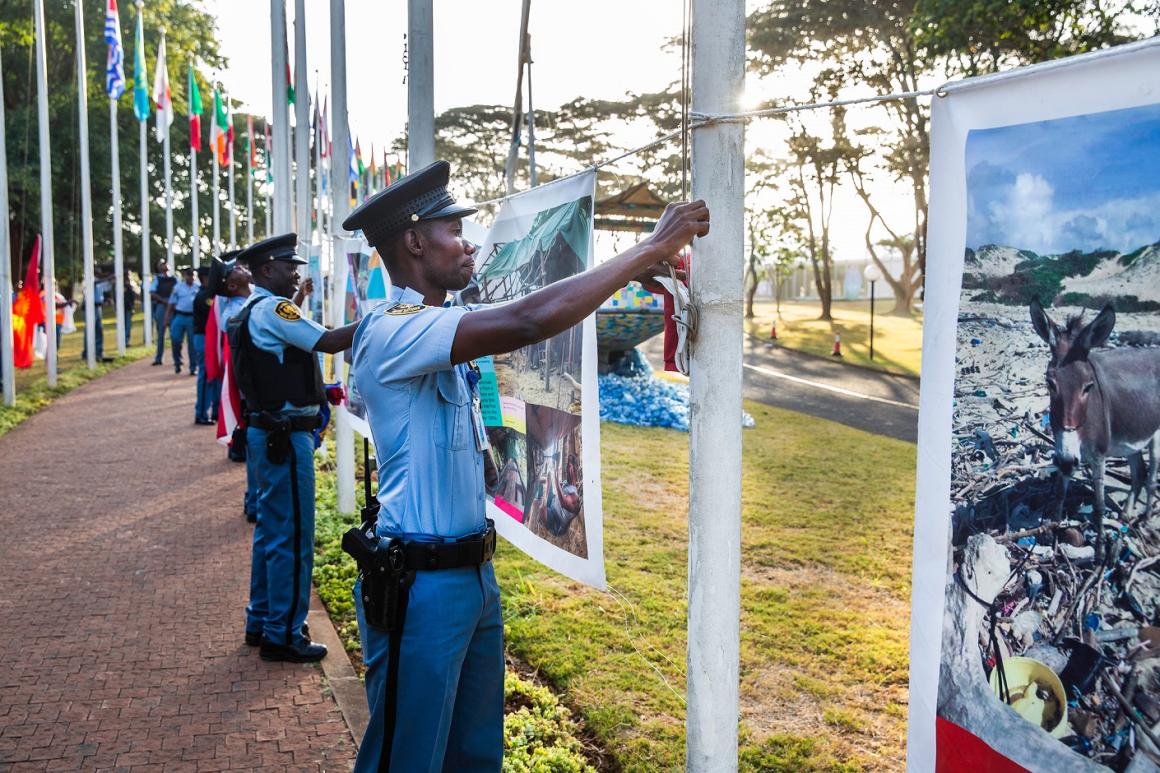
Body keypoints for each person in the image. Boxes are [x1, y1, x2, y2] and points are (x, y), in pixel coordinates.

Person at [343, 160, 708, 771]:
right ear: (413, 241)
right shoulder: (396, 330)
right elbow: (529, 320)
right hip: (419, 583)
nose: (469, 244)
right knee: (406, 758)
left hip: (470, 575)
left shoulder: (436, 325)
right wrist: (648, 248)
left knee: (475, 755)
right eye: (453, 230)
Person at [227, 233, 359, 662]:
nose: (296, 273)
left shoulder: (253, 310)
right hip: (286, 436)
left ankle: (262, 620)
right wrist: (385, 318)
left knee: (271, 532)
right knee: (293, 535)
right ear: (267, 269)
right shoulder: (274, 309)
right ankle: (284, 634)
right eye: (290, 266)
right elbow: (328, 341)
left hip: (269, 433)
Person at [192, 266, 218, 425]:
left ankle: (213, 410)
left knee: (213, 375)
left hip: (209, 338)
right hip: (203, 338)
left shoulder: (209, 294)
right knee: (206, 375)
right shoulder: (204, 296)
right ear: (205, 278)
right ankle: (201, 413)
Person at [165, 266, 199, 374]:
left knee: (192, 343)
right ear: (185, 276)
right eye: (189, 275)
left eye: (193, 275)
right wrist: (167, 318)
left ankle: (193, 367)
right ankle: (177, 362)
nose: (191, 277)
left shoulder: (198, 287)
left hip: (192, 317)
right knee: (175, 339)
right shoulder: (178, 287)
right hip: (180, 316)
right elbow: (171, 303)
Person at [149, 261, 177, 365]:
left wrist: (171, 302)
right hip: (161, 305)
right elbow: (152, 293)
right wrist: (164, 301)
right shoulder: (157, 279)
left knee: (175, 334)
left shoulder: (174, 279)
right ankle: (159, 358)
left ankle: (176, 359)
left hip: (172, 306)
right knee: (160, 333)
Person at [123, 275, 136, 346]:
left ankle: (126, 341)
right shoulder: (119, 285)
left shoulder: (130, 286)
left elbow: (132, 297)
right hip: (122, 309)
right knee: (124, 325)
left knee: (128, 325)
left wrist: (132, 307)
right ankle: (124, 341)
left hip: (128, 308)